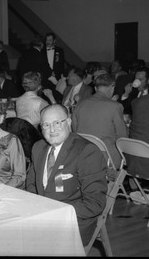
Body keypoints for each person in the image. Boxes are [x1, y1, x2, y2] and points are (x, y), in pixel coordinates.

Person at [26, 104, 107, 246]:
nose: (51, 130)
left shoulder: (86, 151)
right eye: (46, 125)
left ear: (68, 122)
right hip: (43, 217)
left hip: (73, 223)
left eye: (57, 123)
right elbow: (31, 185)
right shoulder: (38, 147)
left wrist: (56, 213)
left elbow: (95, 203)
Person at [72, 74, 127, 167]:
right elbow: (122, 137)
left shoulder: (80, 104)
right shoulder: (115, 106)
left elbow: (75, 130)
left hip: (83, 155)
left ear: (95, 88)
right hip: (107, 159)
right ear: (112, 87)